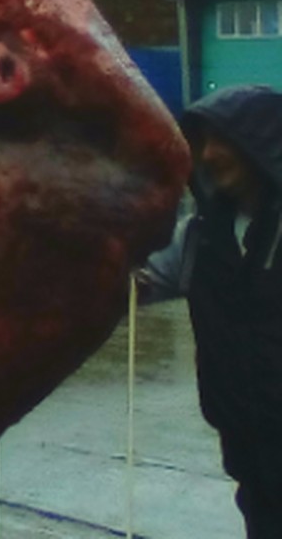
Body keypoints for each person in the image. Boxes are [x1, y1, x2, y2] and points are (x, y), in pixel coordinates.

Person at [141, 84, 282, 539]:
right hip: (249, 456)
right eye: (201, 142)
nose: (209, 155)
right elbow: (129, 283)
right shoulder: (197, 238)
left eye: (224, 140)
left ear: (263, 145)